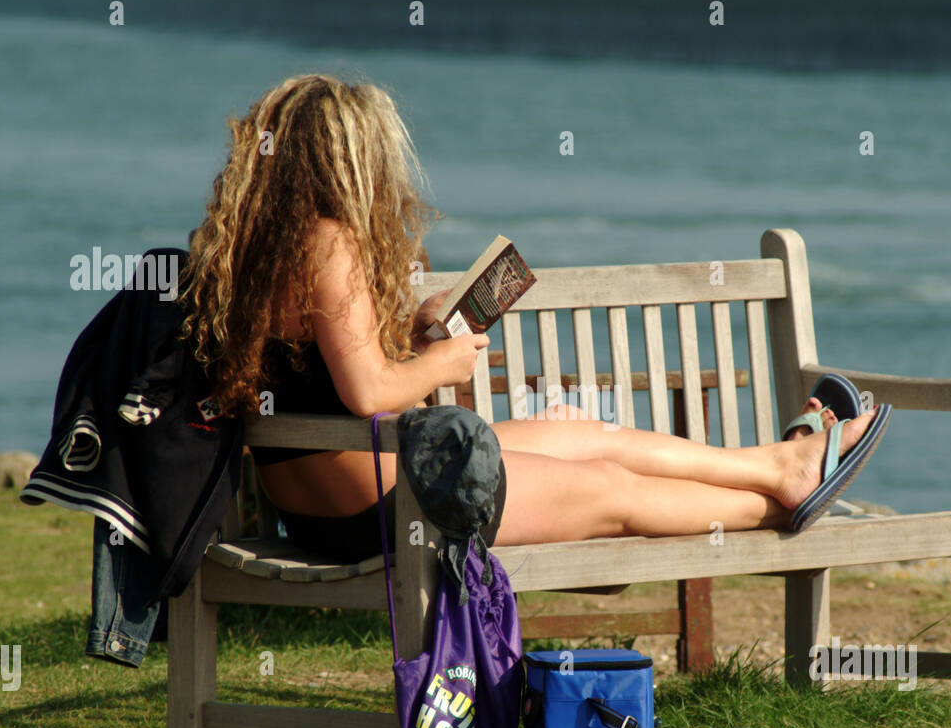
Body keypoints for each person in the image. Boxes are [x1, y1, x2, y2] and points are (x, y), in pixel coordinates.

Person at [176, 74, 878, 563]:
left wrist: (415, 349)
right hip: (386, 510)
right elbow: (364, 395)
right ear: (345, 162)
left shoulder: (259, 250)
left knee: (596, 436)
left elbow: (336, 387)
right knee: (612, 490)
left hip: (335, 505)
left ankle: (779, 464)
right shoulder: (330, 240)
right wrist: (442, 364)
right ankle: (782, 504)